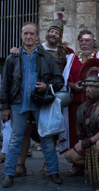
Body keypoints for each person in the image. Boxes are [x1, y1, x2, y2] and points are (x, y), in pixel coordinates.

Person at [10, 17, 78, 177]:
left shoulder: (66, 52)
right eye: (51, 31)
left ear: (60, 37)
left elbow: (70, 72)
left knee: (49, 132)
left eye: (57, 32)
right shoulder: (35, 48)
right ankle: (20, 164)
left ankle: (49, 166)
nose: (53, 34)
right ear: (46, 34)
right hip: (30, 96)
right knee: (26, 130)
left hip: (50, 97)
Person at [0, 22, 64, 188]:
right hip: (17, 103)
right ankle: (9, 173)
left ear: (37, 37)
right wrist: (4, 107)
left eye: (32, 34)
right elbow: (5, 84)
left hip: (40, 104)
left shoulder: (46, 58)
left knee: (47, 139)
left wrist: (47, 86)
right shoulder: (12, 58)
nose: (28, 37)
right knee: (15, 139)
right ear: (21, 36)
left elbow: (59, 81)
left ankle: (54, 172)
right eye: (25, 33)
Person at [65, 58, 99, 191]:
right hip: (91, 142)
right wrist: (80, 139)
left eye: (92, 87)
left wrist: (84, 143)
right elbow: (78, 123)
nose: (88, 90)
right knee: (69, 156)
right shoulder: (84, 106)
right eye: (86, 86)